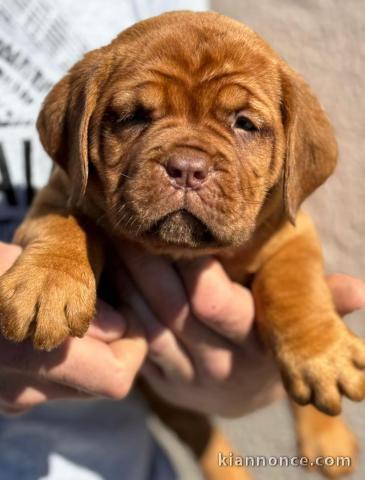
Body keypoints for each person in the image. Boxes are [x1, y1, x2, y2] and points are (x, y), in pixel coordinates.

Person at [1, 1, 365, 479]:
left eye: (244, 124)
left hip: (139, 443)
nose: (187, 166)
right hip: (124, 399)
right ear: (80, 133)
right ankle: (218, 458)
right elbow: (53, 212)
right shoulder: (86, 185)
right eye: (135, 117)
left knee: (302, 326)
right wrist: (58, 257)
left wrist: (304, 330)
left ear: (294, 156)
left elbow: (291, 246)